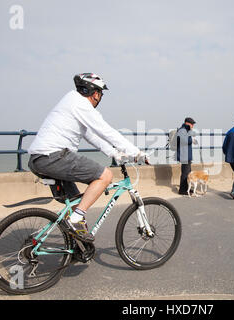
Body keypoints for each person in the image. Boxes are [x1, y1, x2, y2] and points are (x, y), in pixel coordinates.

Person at [27, 73, 147, 242]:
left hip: (40, 159)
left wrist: (115, 153)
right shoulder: (81, 104)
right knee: (105, 176)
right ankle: (75, 220)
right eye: (100, 93)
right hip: (53, 156)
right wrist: (136, 153)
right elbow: (105, 131)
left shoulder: (71, 101)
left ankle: (76, 248)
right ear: (95, 93)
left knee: (77, 205)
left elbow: (92, 135)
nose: (100, 97)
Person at [176, 117, 197, 195]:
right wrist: (192, 140)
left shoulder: (185, 130)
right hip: (184, 154)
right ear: (187, 123)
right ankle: (182, 190)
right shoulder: (182, 130)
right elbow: (184, 141)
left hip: (186, 154)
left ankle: (187, 189)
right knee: (185, 173)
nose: (192, 126)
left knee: (188, 172)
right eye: (192, 124)